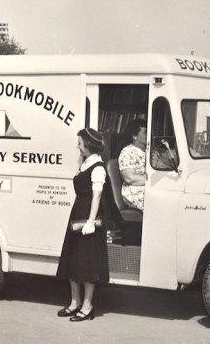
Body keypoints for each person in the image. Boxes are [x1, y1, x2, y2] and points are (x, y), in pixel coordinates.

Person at [56, 128, 109, 322]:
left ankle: (87, 306)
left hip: (88, 217)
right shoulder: (85, 163)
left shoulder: (98, 168)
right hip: (77, 213)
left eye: (80, 143)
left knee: (87, 265)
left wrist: (90, 222)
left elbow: (97, 196)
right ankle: (74, 303)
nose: (78, 146)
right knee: (74, 261)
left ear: (88, 145)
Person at [118, 119, 147, 211]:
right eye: (145, 132)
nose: (149, 135)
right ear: (135, 136)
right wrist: (151, 180)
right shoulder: (127, 152)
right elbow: (129, 178)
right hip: (134, 192)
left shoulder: (149, 152)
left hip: (145, 187)